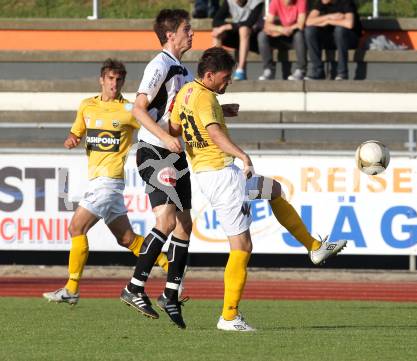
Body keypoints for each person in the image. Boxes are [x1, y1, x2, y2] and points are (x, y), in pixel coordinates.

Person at [170, 47, 347, 331]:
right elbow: (213, 134)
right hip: (223, 175)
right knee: (241, 246)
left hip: (209, 173)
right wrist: (243, 156)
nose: (228, 82)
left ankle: (314, 247)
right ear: (210, 74)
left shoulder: (188, 92)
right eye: (225, 78)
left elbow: (176, 127)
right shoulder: (204, 99)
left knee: (274, 190)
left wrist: (220, 112)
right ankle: (229, 316)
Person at [42, 59, 169, 305]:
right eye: (110, 79)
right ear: (102, 79)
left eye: (119, 79)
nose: (114, 83)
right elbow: (76, 132)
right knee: (127, 239)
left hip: (109, 181)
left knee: (76, 229)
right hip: (99, 182)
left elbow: (154, 124)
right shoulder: (86, 106)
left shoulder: (130, 110)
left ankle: (71, 289)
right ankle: (169, 263)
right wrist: (72, 139)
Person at [119, 9, 194, 330]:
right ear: (170, 36)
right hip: (155, 151)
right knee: (165, 220)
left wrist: (222, 111)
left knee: (185, 225)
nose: (192, 33)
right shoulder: (159, 64)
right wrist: (164, 136)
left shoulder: (183, 69)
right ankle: (134, 287)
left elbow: (183, 111)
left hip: (174, 153)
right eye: (187, 29)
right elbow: (138, 108)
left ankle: (170, 293)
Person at [304, 0, 362, 80]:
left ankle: (342, 73)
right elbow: (308, 22)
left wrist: (328, 21)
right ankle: (318, 71)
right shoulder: (321, 3)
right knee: (309, 30)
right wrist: (328, 17)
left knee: (340, 30)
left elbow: (349, 24)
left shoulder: (346, 2)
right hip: (331, 39)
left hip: (348, 40)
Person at [212, 0, 264, 80]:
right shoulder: (229, 2)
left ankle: (240, 70)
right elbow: (216, 21)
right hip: (238, 35)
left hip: (255, 39)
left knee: (244, 29)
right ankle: (217, 68)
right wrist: (224, 28)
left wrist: (226, 27)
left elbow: (249, 22)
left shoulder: (257, 2)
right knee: (217, 31)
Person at [257, 0, 307, 81]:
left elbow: (301, 24)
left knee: (299, 35)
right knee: (262, 35)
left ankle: (301, 70)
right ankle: (268, 70)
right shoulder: (275, 2)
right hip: (280, 35)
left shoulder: (301, 1)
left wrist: (288, 29)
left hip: (294, 36)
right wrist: (281, 29)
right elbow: (267, 25)